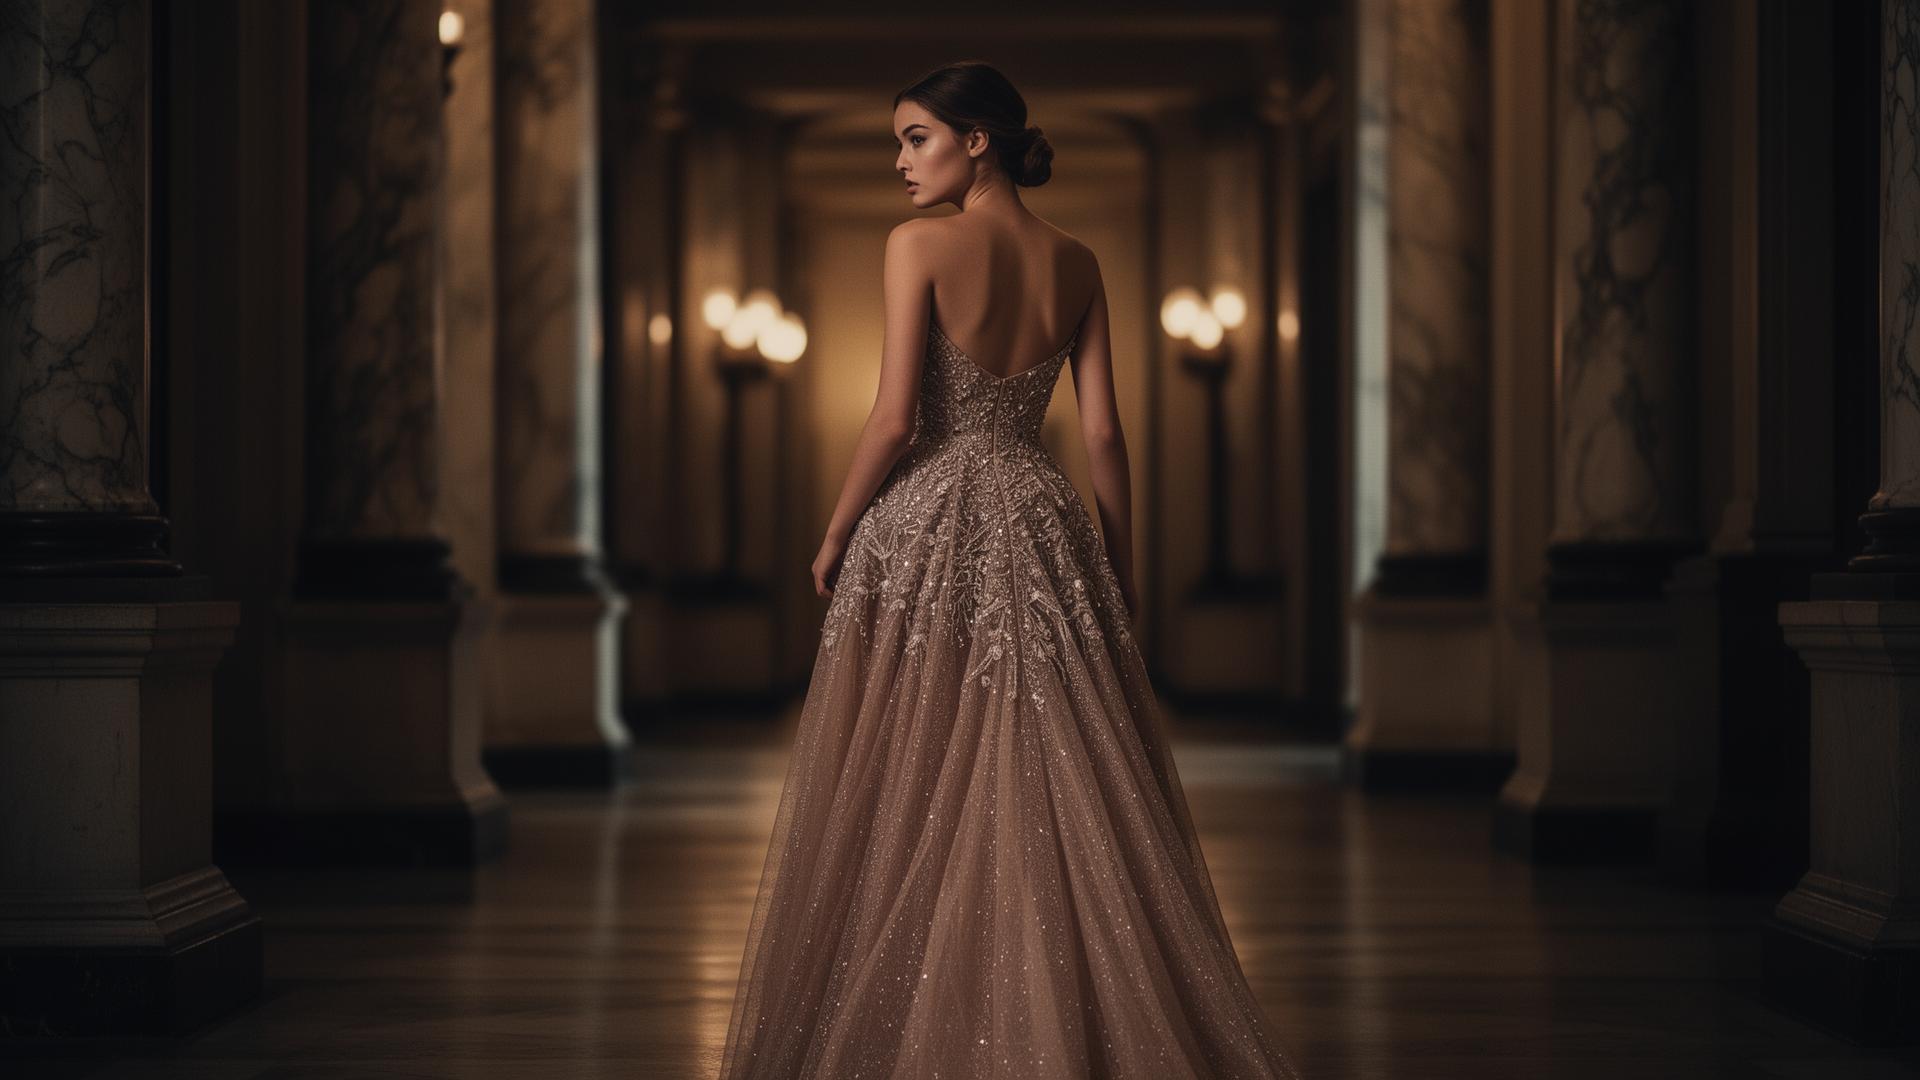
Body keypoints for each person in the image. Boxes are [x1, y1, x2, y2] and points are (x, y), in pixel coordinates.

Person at [718, 60, 1302, 1080]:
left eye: (914, 138)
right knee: (1040, 764)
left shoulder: (918, 247)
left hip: (936, 520)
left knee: (918, 764)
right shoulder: (1077, 261)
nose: (900, 162)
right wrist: (1115, 574)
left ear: (975, 139)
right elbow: (1108, 437)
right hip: (1043, 515)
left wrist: (832, 531)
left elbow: (898, 418)